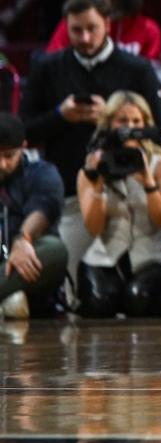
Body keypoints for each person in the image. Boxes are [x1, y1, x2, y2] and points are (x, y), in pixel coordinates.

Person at [21, 0, 161, 184]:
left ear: (107, 24)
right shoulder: (46, 67)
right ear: (66, 28)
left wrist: (112, 121)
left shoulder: (138, 69)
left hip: (124, 182)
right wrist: (60, 116)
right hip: (64, 185)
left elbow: (158, 132)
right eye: (76, 30)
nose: (85, 38)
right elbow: (24, 130)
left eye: (92, 28)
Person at [59, 92, 161, 318]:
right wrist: (97, 184)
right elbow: (94, 227)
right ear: (108, 124)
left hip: (150, 256)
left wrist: (148, 182)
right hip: (106, 255)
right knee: (98, 304)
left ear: (146, 125)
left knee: (139, 300)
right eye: (122, 121)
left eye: (136, 121)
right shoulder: (92, 167)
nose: (130, 128)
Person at [0, 114, 67, 319]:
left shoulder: (43, 173)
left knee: (54, 249)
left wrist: (23, 239)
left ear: (24, 147)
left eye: (9, 156)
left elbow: (43, 209)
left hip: (27, 264)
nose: (2, 164)